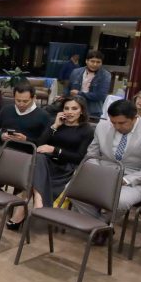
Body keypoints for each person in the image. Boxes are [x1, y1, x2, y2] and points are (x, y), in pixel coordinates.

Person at [6, 96, 93, 228]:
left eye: (74, 108)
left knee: (35, 167)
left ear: (81, 111)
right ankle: (39, 203)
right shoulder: (56, 123)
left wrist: (55, 150)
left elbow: (80, 157)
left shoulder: (86, 129)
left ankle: (22, 209)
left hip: (65, 168)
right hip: (46, 164)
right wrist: (54, 126)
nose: (69, 112)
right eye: (66, 108)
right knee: (39, 157)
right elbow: (39, 144)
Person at [83, 98, 141, 213]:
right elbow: (92, 155)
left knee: (118, 201)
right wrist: (99, 173)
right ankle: (97, 225)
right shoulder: (102, 126)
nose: (117, 127)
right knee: (72, 189)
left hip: (133, 181)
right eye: (113, 123)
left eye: (122, 123)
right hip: (102, 175)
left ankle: (99, 225)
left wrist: (126, 180)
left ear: (135, 117)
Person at [0, 83, 52, 187]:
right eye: (18, 100)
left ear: (34, 98)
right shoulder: (8, 109)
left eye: (25, 101)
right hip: (2, 148)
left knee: (3, 169)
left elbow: (44, 143)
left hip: (25, 154)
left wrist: (27, 139)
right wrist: (1, 135)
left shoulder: (43, 116)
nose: (21, 104)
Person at [65, 50, 112, 118]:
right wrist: (64, 97)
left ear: (101, 63)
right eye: (92, 61)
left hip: (93, 111)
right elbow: (68, 88)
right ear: (86, 61)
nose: (95, 64)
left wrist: (79, 93)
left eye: (98, 62)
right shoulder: (76, 72)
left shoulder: (105, 75)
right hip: (74, 108)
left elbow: (100, 95)